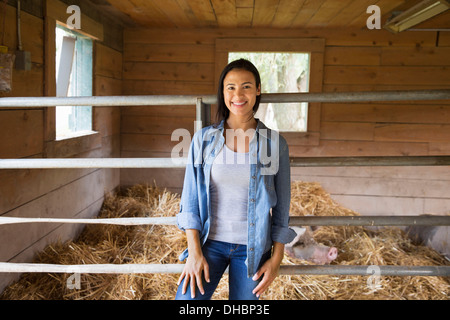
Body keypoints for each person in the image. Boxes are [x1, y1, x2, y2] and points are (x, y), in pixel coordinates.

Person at [175, 59, 295, 300]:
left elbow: (282, 208)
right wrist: (195, 252)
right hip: (210, 244)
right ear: (222, 92)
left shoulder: (274, 143)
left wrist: (276, 259)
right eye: (231, 87)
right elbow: (189, 201)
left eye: (246, 86)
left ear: (258, 90)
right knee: (186, 302)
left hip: (252, 250)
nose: (238, 94)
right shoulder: (203, 140)